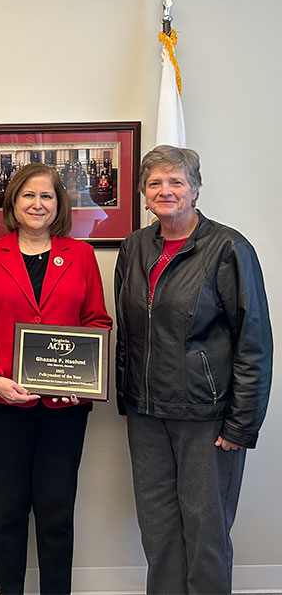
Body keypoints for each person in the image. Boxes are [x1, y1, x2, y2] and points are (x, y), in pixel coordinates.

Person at [115, 145, 272, 594]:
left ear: (196, 189)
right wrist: (128, 396)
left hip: (207, 417)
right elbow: (128, 330)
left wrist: (242, 424)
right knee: (158, 531)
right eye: (155, 183)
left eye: (176, 182)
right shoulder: (134, 247)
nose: (166, 191)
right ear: (144, 194)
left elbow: (254, 341)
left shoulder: (229, 248)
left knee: (206, 535)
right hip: (146, 416)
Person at [0, 163, 111, 595]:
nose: (37, 204)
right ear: (13, 201)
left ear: (59, 203)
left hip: (64, 408)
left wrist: (81, 379)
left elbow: (97, 321)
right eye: (28, 195)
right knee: (8, 509)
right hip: (2, 402)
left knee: (56, 510)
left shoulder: (80, 255)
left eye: (46, 196)